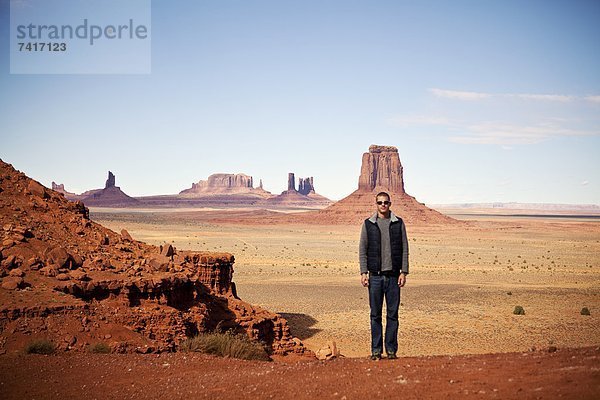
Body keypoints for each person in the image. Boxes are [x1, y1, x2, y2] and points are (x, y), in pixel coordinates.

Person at [359, 192, 409, 360]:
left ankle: (391, 350)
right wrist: (363, 272)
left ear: (390, 204)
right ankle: (376, 350)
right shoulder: (368, 224)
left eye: (386, 202)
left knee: (393, 315)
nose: (383, 205)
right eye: (380, 202)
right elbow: (362, 250)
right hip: (375, 277)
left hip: (394, 277)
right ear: (376, 204)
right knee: (375, 315)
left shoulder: (398, 223)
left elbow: (404, 248)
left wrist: (404, 271)